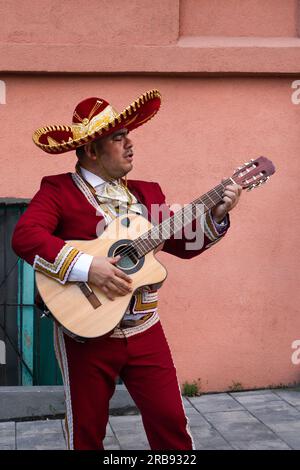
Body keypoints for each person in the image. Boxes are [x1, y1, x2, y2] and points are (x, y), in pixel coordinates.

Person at [12, 89, 242, 450]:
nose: (130, 144)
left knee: (170, 422)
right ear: (91, 150)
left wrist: (216, 217)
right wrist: (89, 267)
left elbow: (180, 245)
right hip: (85, 333)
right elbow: (25, 237)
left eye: (128, 136)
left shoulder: (148, 193)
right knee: (87, 432)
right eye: (119, 138)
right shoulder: (58, 191)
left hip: (145, 327)